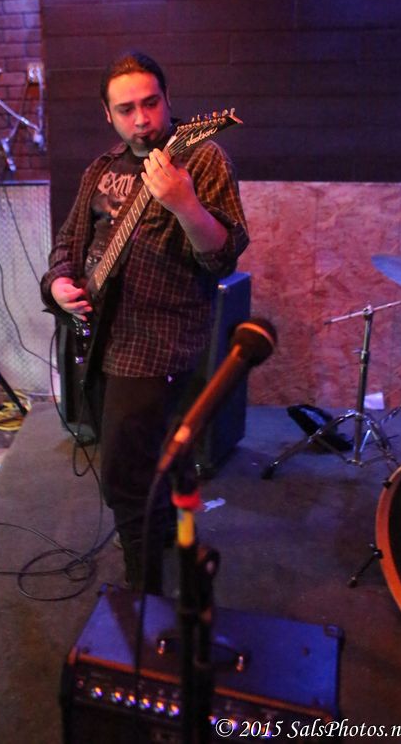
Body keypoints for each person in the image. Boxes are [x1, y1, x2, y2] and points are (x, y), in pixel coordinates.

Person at [40, 51, 249, 594]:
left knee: (124, 477)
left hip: (158, 341)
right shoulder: (101, 168)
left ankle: (145, 596)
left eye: (151, 103)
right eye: (126, 109)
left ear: (168, 100)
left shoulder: (201, 158)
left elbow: (222, 259)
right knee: (143, 454)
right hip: (100, 335)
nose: (142, 119)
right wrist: (59, 285)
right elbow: (67, 244)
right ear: (107, 115)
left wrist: (185, 205)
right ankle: (162, 534)